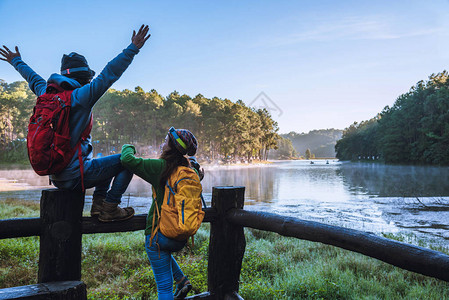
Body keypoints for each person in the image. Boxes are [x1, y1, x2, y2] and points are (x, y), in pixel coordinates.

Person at [0, 25, 151, 222]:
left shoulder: (47, 92)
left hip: (57, 176)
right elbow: (109, 74)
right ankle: (110, 206)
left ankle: (98, 205)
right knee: (128, 160)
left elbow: (32, 77)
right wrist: (133, 48)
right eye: (89, 77)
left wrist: (16, 61)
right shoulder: (82, 96)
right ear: (85, 78)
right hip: (75, 175)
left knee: (104, 162)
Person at [121, 127, 204, 300]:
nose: (162, 143)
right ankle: (182, 281)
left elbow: (127, 159)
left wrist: (129, 146)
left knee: (164, 289)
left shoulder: (160, 167)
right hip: (180, 238)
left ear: (171, 146)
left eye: (166, 140)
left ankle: (180, 281)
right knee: (163, 255)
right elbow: (196, 171)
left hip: (159, 237)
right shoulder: (191, 171)